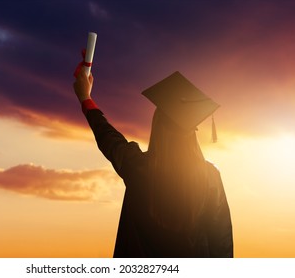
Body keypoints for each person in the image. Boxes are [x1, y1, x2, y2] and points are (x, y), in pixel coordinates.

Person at [73, 68, 233, 258]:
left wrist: (85, 98)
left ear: (157, 128)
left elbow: (107, 136)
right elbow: (222, 242)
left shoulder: (138, 167)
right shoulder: (210, 177)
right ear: (192, 133)